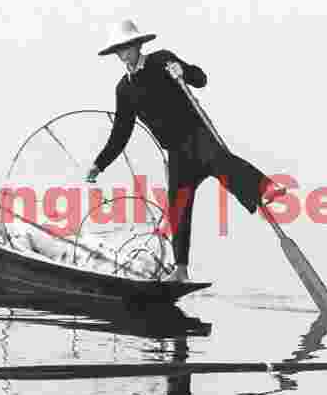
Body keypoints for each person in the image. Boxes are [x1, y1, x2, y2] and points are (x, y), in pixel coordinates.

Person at [83, 19, 271, 280]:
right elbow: (121, 133)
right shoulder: (124, 89)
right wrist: (99, 163)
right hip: (176, 152)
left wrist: (182, 70)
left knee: (222, 164)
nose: (124, 53)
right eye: (119, 49)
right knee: (178, 208)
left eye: (127, 46)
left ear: (138, 44)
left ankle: (265, 188)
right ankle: (181, 270)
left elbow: (200, 79)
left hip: (197, 135)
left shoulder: (162, 60)